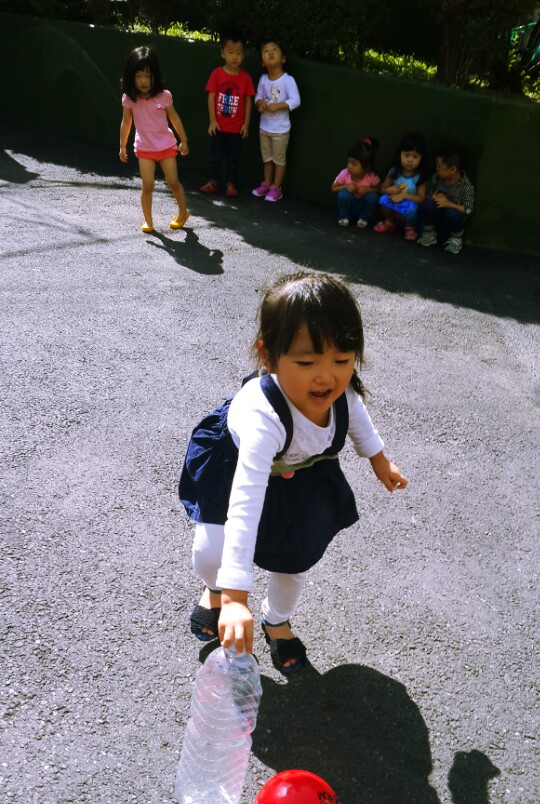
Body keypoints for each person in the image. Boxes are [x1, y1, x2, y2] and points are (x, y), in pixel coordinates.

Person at [179, 273, 408, 675]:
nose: (327, 376)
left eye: (342, 360)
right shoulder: (262, 417)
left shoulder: (341, 394)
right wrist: (234, 598)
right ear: (268, 357)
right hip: (235, 471)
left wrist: (379, 460)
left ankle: (277, 621)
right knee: (212, 551)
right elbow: (245, 504)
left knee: (296, 559)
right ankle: (214, 592)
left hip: (300, 474)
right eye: (306, 362)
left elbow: (357, 419)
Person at [119, 46, 189, 234]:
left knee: (173, 182)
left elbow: (175, 119)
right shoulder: (129, 99)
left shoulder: (164, 96)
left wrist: (184, 140)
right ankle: (148, 221)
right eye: (138, 76)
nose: (143, 81)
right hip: (145, 149)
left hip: (166, 147)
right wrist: (122, 146)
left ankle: (183, 213)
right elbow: (126, 123)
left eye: (148, 76)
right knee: (147, 186)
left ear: (155, 76)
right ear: (131, 76)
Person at [200, 28, 255, 198]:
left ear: (243, 55)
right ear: (223, 53)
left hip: (236, 129)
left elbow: (248, 101)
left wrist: (246, 124)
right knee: (215, 156)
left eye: (238, 53)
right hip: (218, 127)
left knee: (233, 158)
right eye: (230, 52)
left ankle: (231, 184)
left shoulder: (246, 78)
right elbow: (211, 97)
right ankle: (212, 182)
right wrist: (212, 121)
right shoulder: (217, 74)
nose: (234, 57)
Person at [251, 40, 300, 202]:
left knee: (279, 161)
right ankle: (267, 184)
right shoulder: (263, 79)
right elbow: (258, 96)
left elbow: (296, 100)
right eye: (266, 51)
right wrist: (260, 104)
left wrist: (278, 106)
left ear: (283, 58)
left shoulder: (288, 80)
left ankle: (276, 188)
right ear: (262, 62)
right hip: (264, 128)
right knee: (267, 159)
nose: (270, 52)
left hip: (280, 130)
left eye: (274, 50)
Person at [418, 142, 475, 254]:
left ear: (452, 170)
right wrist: (432, 197)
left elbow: (468, 209)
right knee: (427, 204)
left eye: (439, 166)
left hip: (453, 217)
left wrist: (449, 204)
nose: (437, 168)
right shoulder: (436, 178)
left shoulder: (466, 186)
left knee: (452, 213)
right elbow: (429, 194)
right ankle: (429, 233)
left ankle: (456, 239)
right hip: (438, 214)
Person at [375, 132, 428, 241]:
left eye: (415, 157)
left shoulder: (419, 176)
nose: (410, 160)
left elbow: (421, 198)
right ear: (400, 154)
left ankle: (410, 228)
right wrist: (389, 190)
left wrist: (404, 196)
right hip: (394, 205)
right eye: (406, 155)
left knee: (412, 207)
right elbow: (382, 189)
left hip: (408, 210)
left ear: (421, 158)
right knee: (383, 199)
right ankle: (390, 223)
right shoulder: (394, 171)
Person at [330, 138, 380, 228]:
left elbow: (379, 190)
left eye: (354, 164)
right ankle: (344, 217)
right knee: (344, 194)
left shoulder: (371, 176)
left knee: (373, 197)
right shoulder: (344, 173)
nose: (349, 166)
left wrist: (368, 190)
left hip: (363, 205)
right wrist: (346, 187)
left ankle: (363, 219)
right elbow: (333, 188)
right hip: (350, 205)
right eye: (349, 162)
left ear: (366, 167)